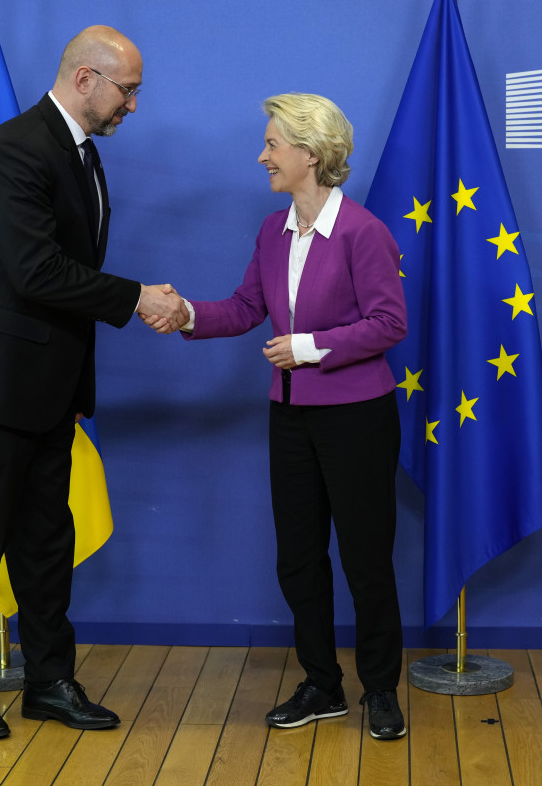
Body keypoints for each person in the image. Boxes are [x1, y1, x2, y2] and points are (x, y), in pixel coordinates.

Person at [0, 25, 188, 740]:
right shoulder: (15, 149)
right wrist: (137, 297)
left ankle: (50, 681)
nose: (132, 105)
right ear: (84, 80)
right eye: (127, 90)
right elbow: (36, 272)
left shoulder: (81, 154)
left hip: (46, 386)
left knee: (47, 537)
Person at [150, 93, 409, 740]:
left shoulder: (363, 232)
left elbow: (389, 323)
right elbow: (244, 307)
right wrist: (187, 315)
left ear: (310, 154)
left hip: (357, 418)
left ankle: (381, 689)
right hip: (290, 419)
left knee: (366, 559)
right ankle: (322, 684)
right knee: (297, 559)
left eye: (272, 143)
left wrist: (309, 348)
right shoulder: (272, 230)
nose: (262, 155)